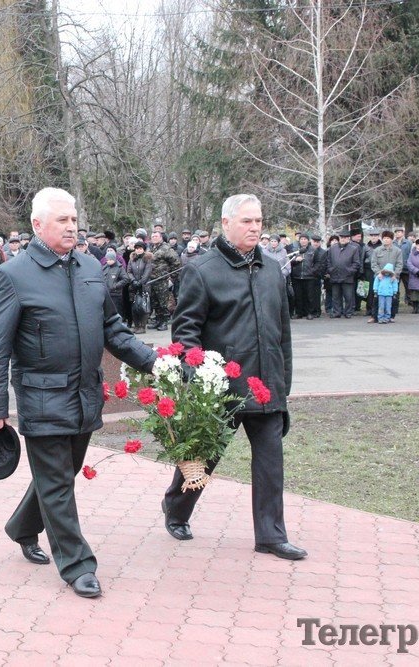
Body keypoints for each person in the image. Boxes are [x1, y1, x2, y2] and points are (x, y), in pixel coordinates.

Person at [0, 187, 157, 598]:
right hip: (41, 396)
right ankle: (77, 565)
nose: (72, 226)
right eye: (62, 220)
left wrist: (152, 361)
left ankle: (22, 526)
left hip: (84, 394)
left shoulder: (90, 266)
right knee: (58, 482)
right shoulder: (14, 274)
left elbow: (113, 328)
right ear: (37, 226)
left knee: (61, 474)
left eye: (74, 218)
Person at [164, 193, 304, 561]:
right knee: (203, 458)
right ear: (226, 224)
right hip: (220, 391)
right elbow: (185, 332)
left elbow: (282, 331)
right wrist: (198, 378)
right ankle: (177, 509)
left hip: (266, 387)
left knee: (271, 463)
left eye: (258, 221)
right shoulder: (203, 269)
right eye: (246, 221)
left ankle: (271, 536)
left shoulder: (273, 269)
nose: (255, 227)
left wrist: (283, 381)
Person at [147, 230, 181, 331]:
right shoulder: (151, 248)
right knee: (155, 302)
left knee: (163, 303)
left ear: (161, 237)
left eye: (156, 236)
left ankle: (164, 322)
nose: (154, 238)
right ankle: (157, 320)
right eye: (152, 236)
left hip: (162, 280)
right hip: (152, 279)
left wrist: (172, 278)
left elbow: (176, 263)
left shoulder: (166, 248)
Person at [369, 231, 403, 323]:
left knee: (394, 298)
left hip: (392, 279)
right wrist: (379, 273)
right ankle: (374, 316)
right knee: (376, 297)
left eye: (388, 238)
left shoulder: (397, 251)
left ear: (392, 239)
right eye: (384, 238)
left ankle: (391, 316)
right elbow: (374, 264)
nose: (386, 240)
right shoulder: (377, 250)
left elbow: (399, 264)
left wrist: (395, 275)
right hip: (380, 278)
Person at [326, 231, 361, 318]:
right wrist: (331, 270)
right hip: (335, 275)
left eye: (345, 238)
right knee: (336, 296)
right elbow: (328, 261)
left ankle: (348, 312)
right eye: (341, 237)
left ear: (348, 239)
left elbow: (356, 263)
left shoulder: (353, 249)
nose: (343, 239)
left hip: (347, 277)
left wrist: (349, 271)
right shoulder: (332, 248)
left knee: (348, 296)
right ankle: (337, 312)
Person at [126, 242, 152, 333]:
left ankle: (142, 326)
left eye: (140, 248)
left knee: (143, 306)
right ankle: (136, 326)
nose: (138, 250)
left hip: (144, 286)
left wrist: (141, 282)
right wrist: (133, 281)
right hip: (133, 286)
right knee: (134, 307)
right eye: (136, 248)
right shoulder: (132, 259)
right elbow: (128, 271)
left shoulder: (147, 259)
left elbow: (147, 272)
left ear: (143, 249)